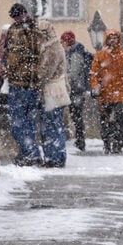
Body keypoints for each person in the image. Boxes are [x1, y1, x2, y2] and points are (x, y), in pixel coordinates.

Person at [0, 3, 44, 166]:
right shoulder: (36, 30)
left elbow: (12, 58)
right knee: (29, 122)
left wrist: (2, 74)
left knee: (16, 122)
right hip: (34, 83)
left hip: (20, 83)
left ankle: (29, 154)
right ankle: (32, 153)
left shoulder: (15, 30)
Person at [89, 29, 123, 154]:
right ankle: (106, 142)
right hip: (104, 94)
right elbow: (94, 74)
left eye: (115, 38)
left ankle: (117, 144)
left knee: (119, 119)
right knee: (104, 120)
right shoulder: (100, 56)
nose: (113, 40)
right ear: (106, 39)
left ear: (118, 39)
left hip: (120, 93)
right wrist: (95, 88)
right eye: (110, 38)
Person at [38, 18, 69, 167]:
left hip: (52, 90)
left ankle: (55, 157)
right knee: (54, 124)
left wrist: (37, 81)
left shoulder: (51, 48)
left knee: (51, 125)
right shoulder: (55, 46)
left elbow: (46, 72)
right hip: (55, 89)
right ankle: (55, 156)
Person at [60, 31, 93, 151]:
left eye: (62, 42)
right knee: (76, 115)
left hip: (76, 89)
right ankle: (79, 140)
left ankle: (80, 141)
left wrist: (62, 77)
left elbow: (73, 72)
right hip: (76, 89)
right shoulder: (73, 52)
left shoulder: (75, 54)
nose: (61, 44)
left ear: (67, 42)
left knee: (76, 115)